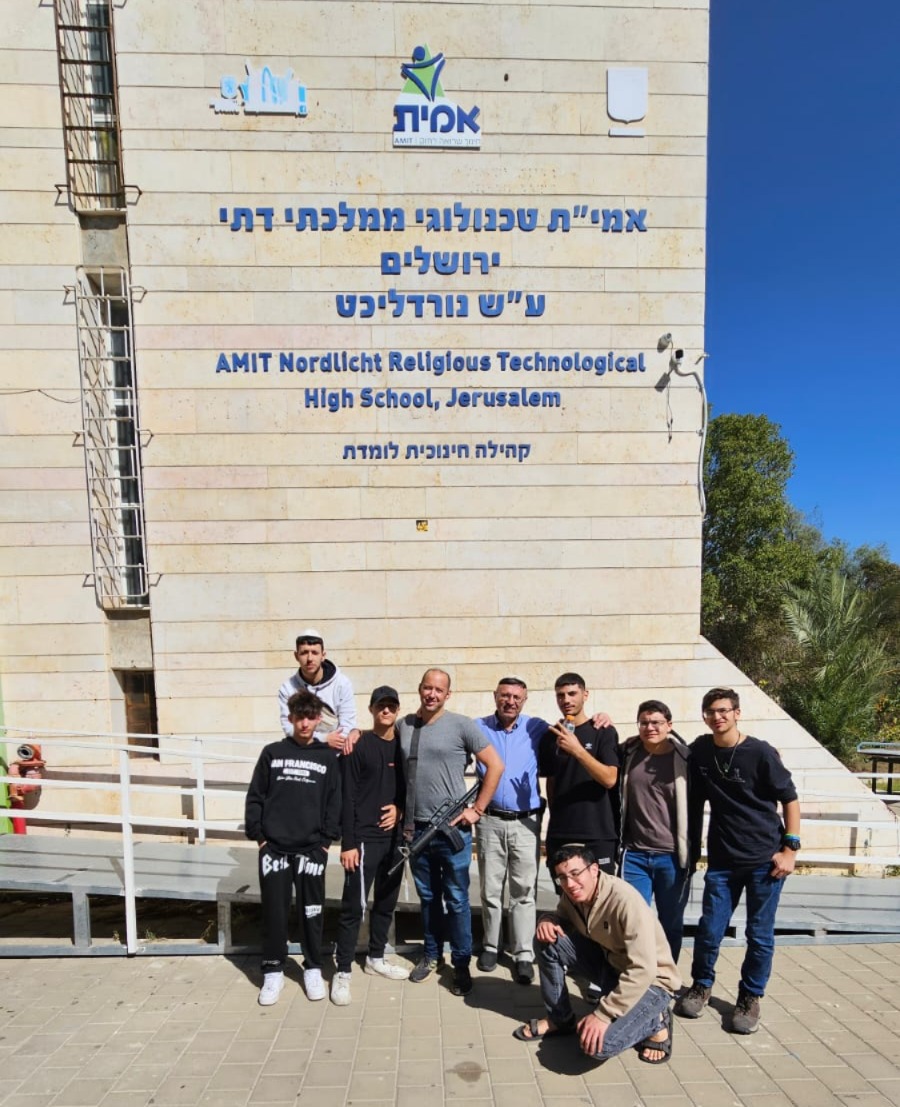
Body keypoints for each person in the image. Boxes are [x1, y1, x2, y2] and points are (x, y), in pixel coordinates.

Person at [676, 687, 801, 1034]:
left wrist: (790, 850)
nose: (717, 717)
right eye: (711, 712)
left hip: (765, 861)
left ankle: (750, 996)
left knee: (759, 935)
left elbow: (790, 799)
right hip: (723, 861)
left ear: (737, 713)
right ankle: (701, 985)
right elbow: (665, 743)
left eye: (724, 711)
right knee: (709, 930)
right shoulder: (701, 750)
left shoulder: (760, 753)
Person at [514, 845, 681, 1066]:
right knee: (547, 939)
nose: (569, 884)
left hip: (651, 981)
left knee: (598, 1047)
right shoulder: (573, 895)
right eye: (562, 878)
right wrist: (548, 920)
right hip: (612, 967)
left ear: (594, 870)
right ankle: (559, 1019)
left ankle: (656, 1020)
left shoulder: (625, 901)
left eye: (575, 873)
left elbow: (644, 969)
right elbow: (562, 918)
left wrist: (603, 1014)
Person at [396, 668, 504, 996]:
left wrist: (477, 809)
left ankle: (460, 963)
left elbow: (495, 765)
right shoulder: (405, 726)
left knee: (456, 900)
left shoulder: (461, 725)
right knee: (428, 898)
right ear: (419, 689)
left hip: (453, 830)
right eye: (427, 688)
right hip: (416, 830)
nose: (432, 694)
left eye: (438, 690)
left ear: (448, 694)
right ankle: (432, 955)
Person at [245, 690, 341, 1006]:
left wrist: (325, 842)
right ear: (290, 718)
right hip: (274, 850)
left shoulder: (327, 757)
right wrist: (260, 838)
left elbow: (334, 801)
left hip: (312, 850)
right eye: (299, 717)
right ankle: (273, 969)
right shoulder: (272, 753)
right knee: (274, 912)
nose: (304, 724)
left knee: (312, 911)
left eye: (310, 718)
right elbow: (256, 797)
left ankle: (312, 967)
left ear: (318, 720)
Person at [331, 685, 409, 1005]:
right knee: (354, 907)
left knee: (386, 903)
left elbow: (409, 789)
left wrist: (400, 810)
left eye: (391, 706)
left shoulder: (404, 745)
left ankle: (375, 958)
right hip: (363, 839)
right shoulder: (358, 744)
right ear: (372, 709)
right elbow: (346, 796)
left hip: (395, 839)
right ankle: (342, 971)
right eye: (380, 706)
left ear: (398, 709)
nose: (386, 711)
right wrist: (348, 843)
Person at [474, 677, 548, 985]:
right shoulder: (477, 727)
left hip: (525, 823)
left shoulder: (537, 727)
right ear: (495, 696)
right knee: (490, 889)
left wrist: (601, 718)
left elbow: (573, 730)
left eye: (517, 697)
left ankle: (523, 954)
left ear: (524, 700)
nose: (510, 701)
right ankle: (491, 946)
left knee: (524, 890)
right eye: (505, 695)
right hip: (489, 821)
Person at [617, 700, 693, 962]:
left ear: (669, 725)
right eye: (644, 723)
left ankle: (666, 977)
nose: (650, 727)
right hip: (635, 855)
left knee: (670, 923)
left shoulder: (685, 758)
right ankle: (638, 973)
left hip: (672, 857)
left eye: (656, 722)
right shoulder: (628, 753)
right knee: (633, 921)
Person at [540, 673, 619, 880]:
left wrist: (578, 750)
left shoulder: (603, 731)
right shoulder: (550, 736)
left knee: (601, 894)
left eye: (572, 693)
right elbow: (552, 782)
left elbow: (610, 779)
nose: (566, 700)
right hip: (561, 833)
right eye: (561, 695)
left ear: (585, 695)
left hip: (597, 833)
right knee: (566, 894)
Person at [278, 628, 360, 749]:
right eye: (304, 652)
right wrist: (324, 739)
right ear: (296, 656)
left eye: (315, 653)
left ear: (323, 655)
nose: (309, 658)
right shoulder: (287, 688)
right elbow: (289, 728)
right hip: (304, 752)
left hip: (337, 752)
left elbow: (348, 725)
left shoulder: (342, 683)